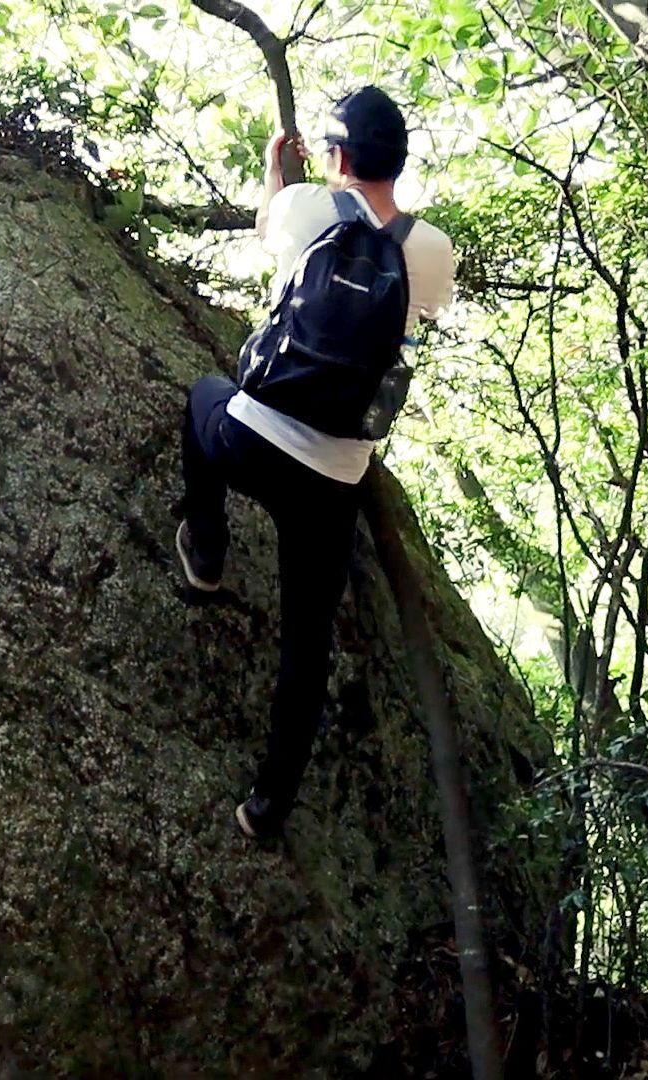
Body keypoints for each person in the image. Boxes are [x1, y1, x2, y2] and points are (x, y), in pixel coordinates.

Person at [175, 86, 456, 840]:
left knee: (202, 397)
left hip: (253, 438)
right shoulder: (431, 252)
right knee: (308, 638)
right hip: (334, 476)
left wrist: (277, 168)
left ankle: (206, 549)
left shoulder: (308, 210)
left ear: (336, 157)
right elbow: (417, 328)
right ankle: (269, 805)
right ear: (398, 161)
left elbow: (271, 219)